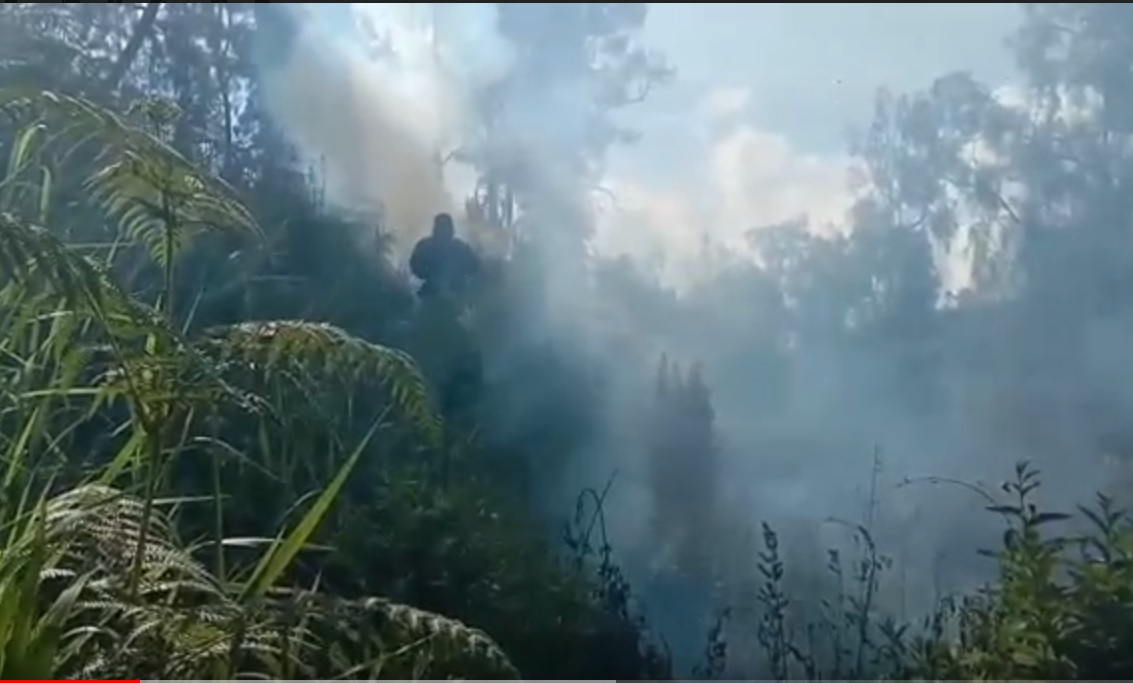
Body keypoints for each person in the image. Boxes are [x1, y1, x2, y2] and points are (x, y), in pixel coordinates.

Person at [409, 213, 480, 298]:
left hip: (455, 293)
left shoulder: (460, 247)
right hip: (432, 292)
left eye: (445, 228)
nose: (443, 232)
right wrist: (429, 276)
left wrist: (459, 276)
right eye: (441, 228)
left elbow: (474, 266)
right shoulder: (425, 246)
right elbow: (415, 265)